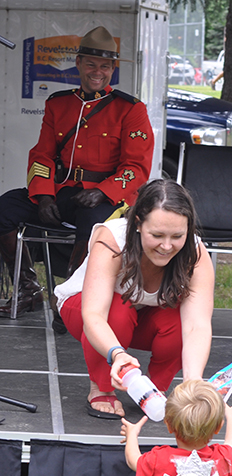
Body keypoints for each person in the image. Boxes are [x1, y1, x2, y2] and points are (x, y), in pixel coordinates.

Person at [0, 26, 154, 322]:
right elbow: (41, 155)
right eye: (92, 64)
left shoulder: (131, 109)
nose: (98, 72)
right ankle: (28, 288)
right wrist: (43, 195)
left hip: (107, 196)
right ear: (79, 64)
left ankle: (71, 299)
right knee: (5, 208)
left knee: (93, 224)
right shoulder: (59, 103)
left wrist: (103, 191)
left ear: (113, 69)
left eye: (105, 66)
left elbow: (136, 168)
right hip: (62, 191)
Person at [54, 179, 215, 418]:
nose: (167, 246)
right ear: (138, 223)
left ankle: (155, 391)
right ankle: (101, 387)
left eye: (177, 236)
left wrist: (194, 382)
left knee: (177, 317)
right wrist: (118, 355)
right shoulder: (112, 240)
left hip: (140, 319)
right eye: (157, 235)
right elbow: (93, 314)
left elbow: (197, 326)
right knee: (119, 310)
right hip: (88, 312)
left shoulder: (195, 252)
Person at [120, 380, 232, 476]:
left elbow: (133, 460)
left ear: (168, 425)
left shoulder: (158, 459)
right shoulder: (221, 457)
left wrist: (132, 435)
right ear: (219, 427)